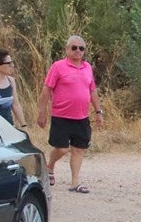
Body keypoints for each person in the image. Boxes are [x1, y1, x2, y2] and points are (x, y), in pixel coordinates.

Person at [36, 35, 103, 193]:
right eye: (74, 47)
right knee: (62, 149)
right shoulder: (58, 66)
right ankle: (50, 165)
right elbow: (46, 89)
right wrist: (42, 112)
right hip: (61, 116)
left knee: (79, 149)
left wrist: (98, 111)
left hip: (82, 116)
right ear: (67, 49)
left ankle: (75, 182)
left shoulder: (87, 67)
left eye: (81, 48)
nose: (78, 51)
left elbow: (92, 90)